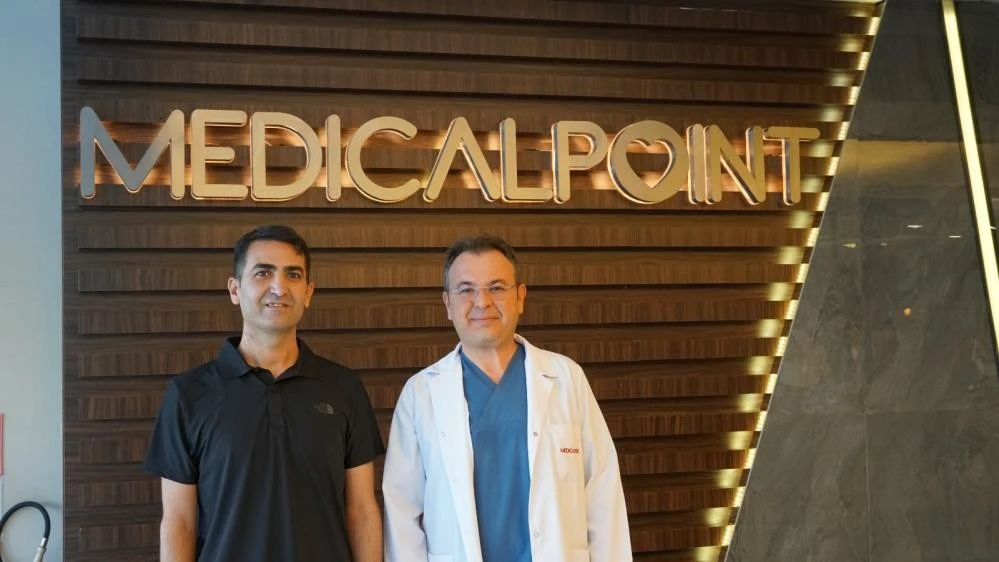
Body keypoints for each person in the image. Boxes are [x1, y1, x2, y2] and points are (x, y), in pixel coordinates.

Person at [382, 235, 632, 562]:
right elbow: (402, 513)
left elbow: (603, 495)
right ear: (447, 304)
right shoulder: (420, 394)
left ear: (520, 297)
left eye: (496, 287)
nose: (482, 302)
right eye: (466, 290)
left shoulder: (566, 378)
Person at [143, 225, 384, 562]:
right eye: (263, 273)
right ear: (235, 289)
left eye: (293, 275)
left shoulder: (343, 388)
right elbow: (179, 522)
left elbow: (362, 510)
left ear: (308, 292)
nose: (279, 287)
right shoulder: (188, 395)